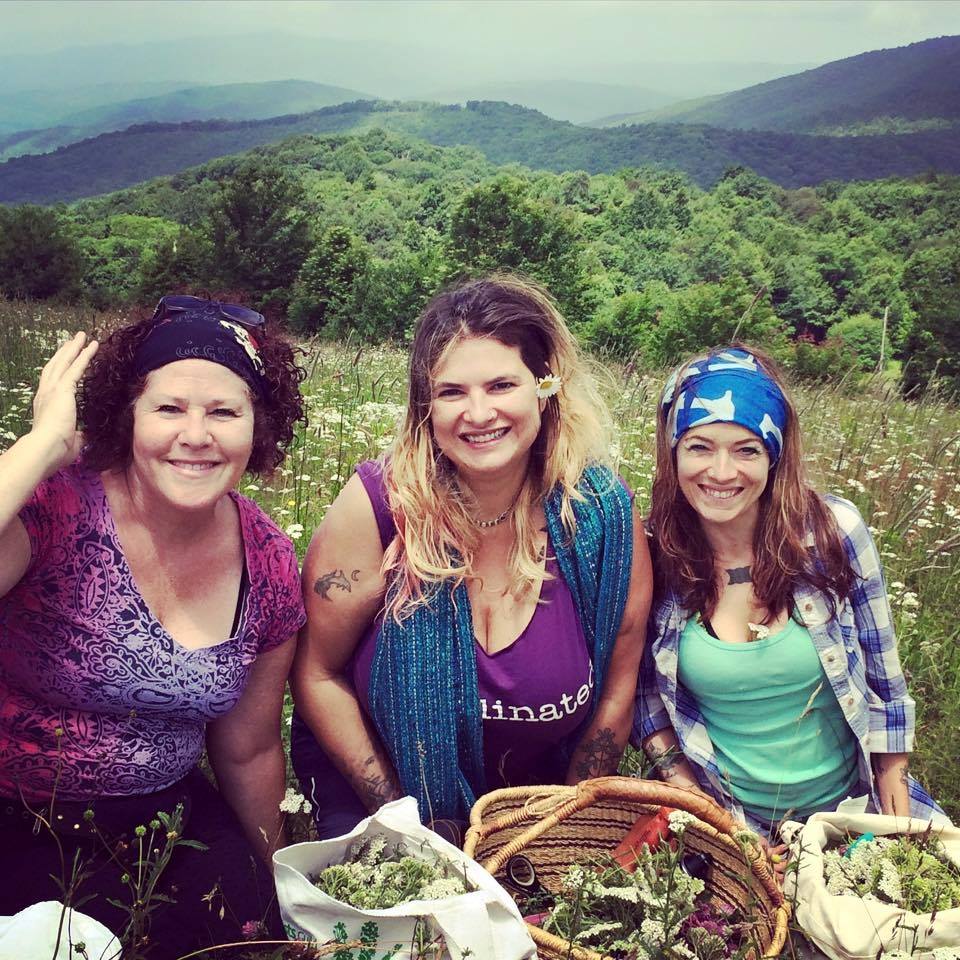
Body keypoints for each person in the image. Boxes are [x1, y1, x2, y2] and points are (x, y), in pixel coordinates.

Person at [291, 275, 652, 840]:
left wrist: (563, 830)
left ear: (545, 387)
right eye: (452, 392)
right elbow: (316, 673)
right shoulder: (380, 508)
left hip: (537, 808)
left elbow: (616, 690)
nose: (478, 413)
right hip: (382, 800)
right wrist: (405, 822)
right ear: (425, 406)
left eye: (502, 384)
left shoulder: (601, 517)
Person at [0, 297, 306, 957]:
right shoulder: (53, 507)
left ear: (260, 428)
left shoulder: (272, 561)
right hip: (15, 821)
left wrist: (283, 883)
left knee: (253, 945)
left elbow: (248, 749)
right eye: (168, 408)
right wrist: (41, 448)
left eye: (224, 411)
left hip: (162, 825)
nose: (195, 435)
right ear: (126, 417)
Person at [635, 345, 944, 860]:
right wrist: (716, 822)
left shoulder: (833, 535)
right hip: (728, 822)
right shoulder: (652, 555)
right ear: (672, 453)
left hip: (854, 813)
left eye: (747, 450)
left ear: (774, 455)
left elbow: (886, 688)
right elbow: (648, 703)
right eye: (699, 446)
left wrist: (891, 833)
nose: (721, 471)